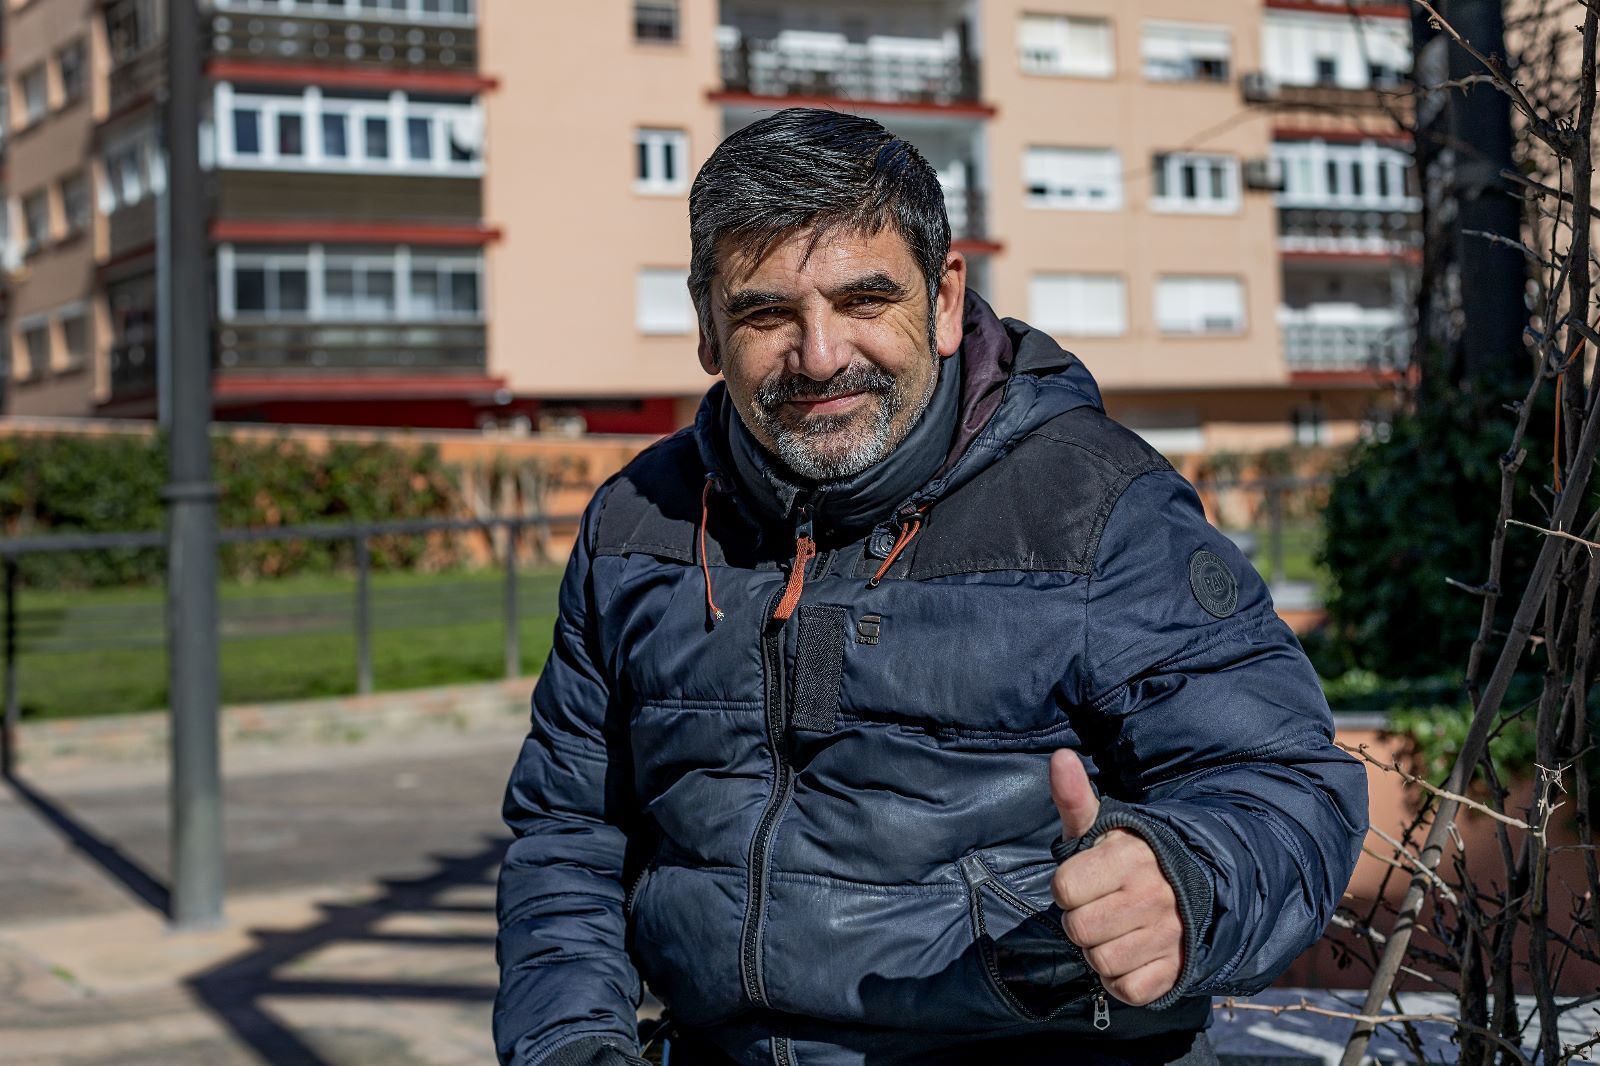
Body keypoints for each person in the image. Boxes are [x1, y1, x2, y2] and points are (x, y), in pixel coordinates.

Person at [493, 108, 1367, 1066]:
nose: (820, 355)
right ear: (707, 328)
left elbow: (1292, 787)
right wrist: (572, 1044)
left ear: (945, 300)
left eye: (865, 300)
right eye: (766, 314)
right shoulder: (635, 528)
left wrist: (1188, 886)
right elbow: (568, 835)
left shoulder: (1099, 510)